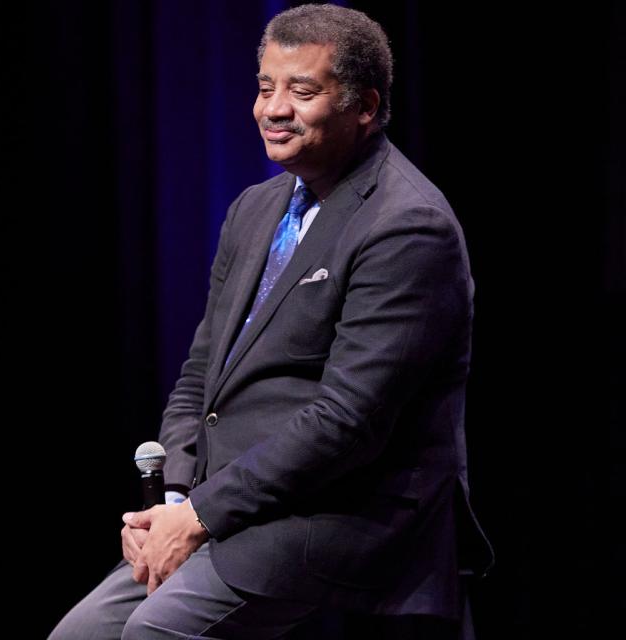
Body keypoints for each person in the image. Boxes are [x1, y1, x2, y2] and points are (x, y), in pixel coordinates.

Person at [49, 4, 493, 639]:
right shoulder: (255, 208)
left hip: (342, 519)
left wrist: (200, 515)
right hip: (236, 508)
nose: (273, 108)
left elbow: (347, 423)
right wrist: (176, 498)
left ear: (364, 106)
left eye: (302, 91)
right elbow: (202, 374)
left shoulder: (407, 225)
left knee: (151, 634)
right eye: (264, 87)